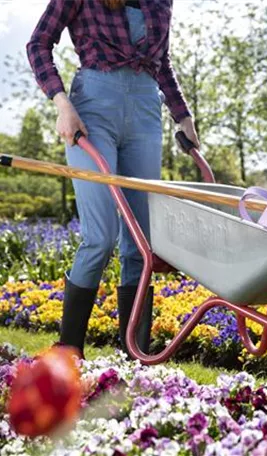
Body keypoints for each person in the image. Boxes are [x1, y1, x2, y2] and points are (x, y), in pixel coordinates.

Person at [26, 0, 199, 358]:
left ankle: (134, 356)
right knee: (99, 237)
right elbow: (38, 42)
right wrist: (62, 104)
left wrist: (183, 116)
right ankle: (70, 349)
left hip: (146, 111)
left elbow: (161, 62)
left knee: (140, 243)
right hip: (92, 108)